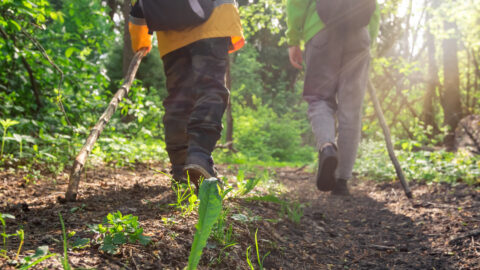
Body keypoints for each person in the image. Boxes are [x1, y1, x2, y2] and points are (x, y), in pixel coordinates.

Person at [129, 0, 244, 185]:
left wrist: (140, 40)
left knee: (178, 100)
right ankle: (198, 156)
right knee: (210, 89)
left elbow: (138, 5)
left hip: (170, 34)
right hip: (213, 23)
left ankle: (180, 167)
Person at [286, 1, 380, 195]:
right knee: (351, 109)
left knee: (318, 97)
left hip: (321, 28)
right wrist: (370, 39)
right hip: (359, 33)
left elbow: (296, 2)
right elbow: (374, 8)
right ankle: (342, 181)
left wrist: (293, 38)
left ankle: (327, 146)